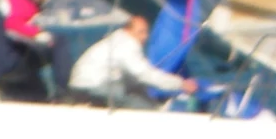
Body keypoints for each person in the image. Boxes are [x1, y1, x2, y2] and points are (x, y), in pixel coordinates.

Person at [67, 13, 199, 108]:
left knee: (137, 94)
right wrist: (181, 84)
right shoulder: (127, 44)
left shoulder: (115, 40)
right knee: (142, 107)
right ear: (127, 30)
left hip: (80, 87)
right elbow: (145, 74)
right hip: (94, 88)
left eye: (146, 32)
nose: (145, 37)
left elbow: (134, 79)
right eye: (141, 32)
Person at [0, 0, 72, 103]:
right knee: (59, 42)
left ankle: (56, 94)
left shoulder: (19, 4)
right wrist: (40, 35)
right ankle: (64, 92)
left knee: (40, 97)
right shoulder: (19, 1)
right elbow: (13, 26)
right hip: (11, 66)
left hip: (5, 67)